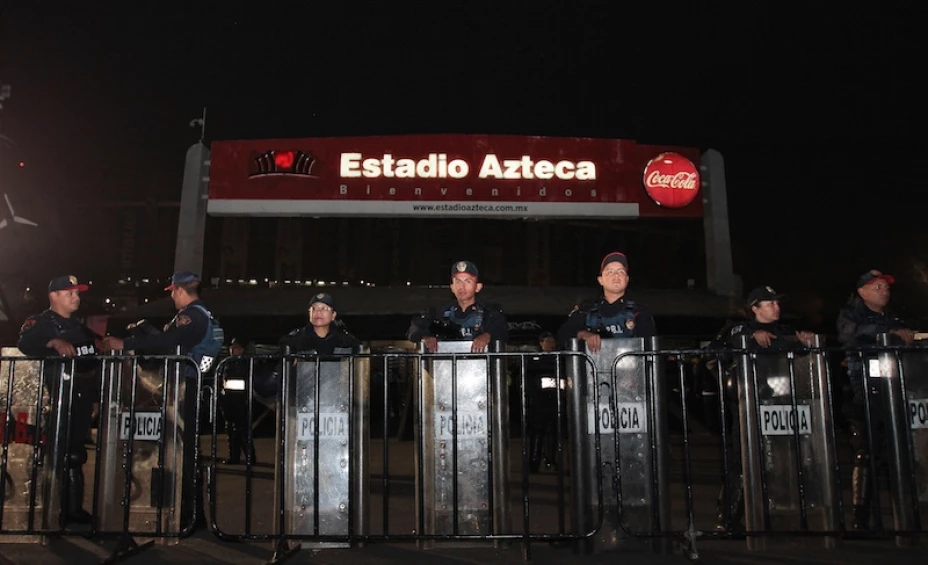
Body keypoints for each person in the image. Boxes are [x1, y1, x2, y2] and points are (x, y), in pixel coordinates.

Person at [102, 271, 224, 530]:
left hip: (184, 387)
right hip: (191, 385)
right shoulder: (206, 315)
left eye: (172, 293)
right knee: (185, 450)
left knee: (183, 452)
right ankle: (190, 514)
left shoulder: (191, 316)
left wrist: (126, 342)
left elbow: (170, 341)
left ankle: (189, 515)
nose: (172, 298)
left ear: (178, 290)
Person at [709, 285, 814, 532]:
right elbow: (714, 352)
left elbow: (801, 360)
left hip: (782, 404)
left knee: (781, 458)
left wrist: (806, 343)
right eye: (770, 303)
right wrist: (747, 339)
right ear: (755, 308)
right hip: (749, 403)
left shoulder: (785, 331)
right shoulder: (738, 329)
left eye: (777, 303)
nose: (776, 307)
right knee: (744, 458)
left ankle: (778, 514)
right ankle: (730, 517)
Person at [18, 275, 100, 524]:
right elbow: (25, 343)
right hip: (53, 397)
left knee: (75, 454)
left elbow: (92, 360)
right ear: (53, 296)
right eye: (70, 293)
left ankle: (72, 510)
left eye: (77, 293)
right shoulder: (40, 322)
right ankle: (48, 508)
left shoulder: (79, 326)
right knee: (53, 452)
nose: (76, 297)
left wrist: (94, 396)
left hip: (79, 397)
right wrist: (52, 341)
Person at [836, 269, 914, 530]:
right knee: (865, 452)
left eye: (886, 287)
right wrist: (891, 333)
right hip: (863, 393)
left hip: (894, 391)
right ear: (862, 292)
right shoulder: (851, 315)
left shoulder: (894, 316)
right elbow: (852, 335)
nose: (884, 291)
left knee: (899, 451)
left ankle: (905, 516)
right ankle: (861, 518)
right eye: (877, 287)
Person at [557, 251, 655, 350]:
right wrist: (582, 334)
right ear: (600, 280)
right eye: (610, 272)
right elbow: (562, 337)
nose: (616, 275)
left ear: (627, 279)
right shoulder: (586, 311)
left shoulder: (639, 312)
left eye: (621, 271)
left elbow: (650, 347)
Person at [407, 260, 508, 352]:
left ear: (477, 287)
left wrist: (488, 336)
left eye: (468, 281)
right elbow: (413, 330)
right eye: (458, 281)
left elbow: (502, 331)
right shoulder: (439, 313)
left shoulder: (490, 312)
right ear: (452, 287)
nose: (462, 287)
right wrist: (425, 337)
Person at [525, 331, 565, 473]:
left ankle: (551, 460)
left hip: (555, 402)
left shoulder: (559, 358)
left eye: (552, 341)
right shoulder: (535, 359)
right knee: (538, 432)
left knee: (554, 433)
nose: (551, 344)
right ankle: (534, 463)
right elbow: (532, 381)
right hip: (539, 403)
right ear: (541, 343)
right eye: (548, 341)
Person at [279, 293, 360, 355]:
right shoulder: (294, 340)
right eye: (314, 308)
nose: (318, 312)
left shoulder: (347, 341)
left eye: (324, 308)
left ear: (333, 315)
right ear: (309, 313)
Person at [217, 338, 255, 465]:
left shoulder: (245, 363)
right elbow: (221, 380)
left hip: (240, 400)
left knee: (241, 430)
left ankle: (249, 457)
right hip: (227, 400)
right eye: (231, 347)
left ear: (242, 350)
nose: (233, 350)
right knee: (230, 430)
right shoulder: (226, 362)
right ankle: (234, 457)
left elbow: (247, 382)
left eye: (236, 347)